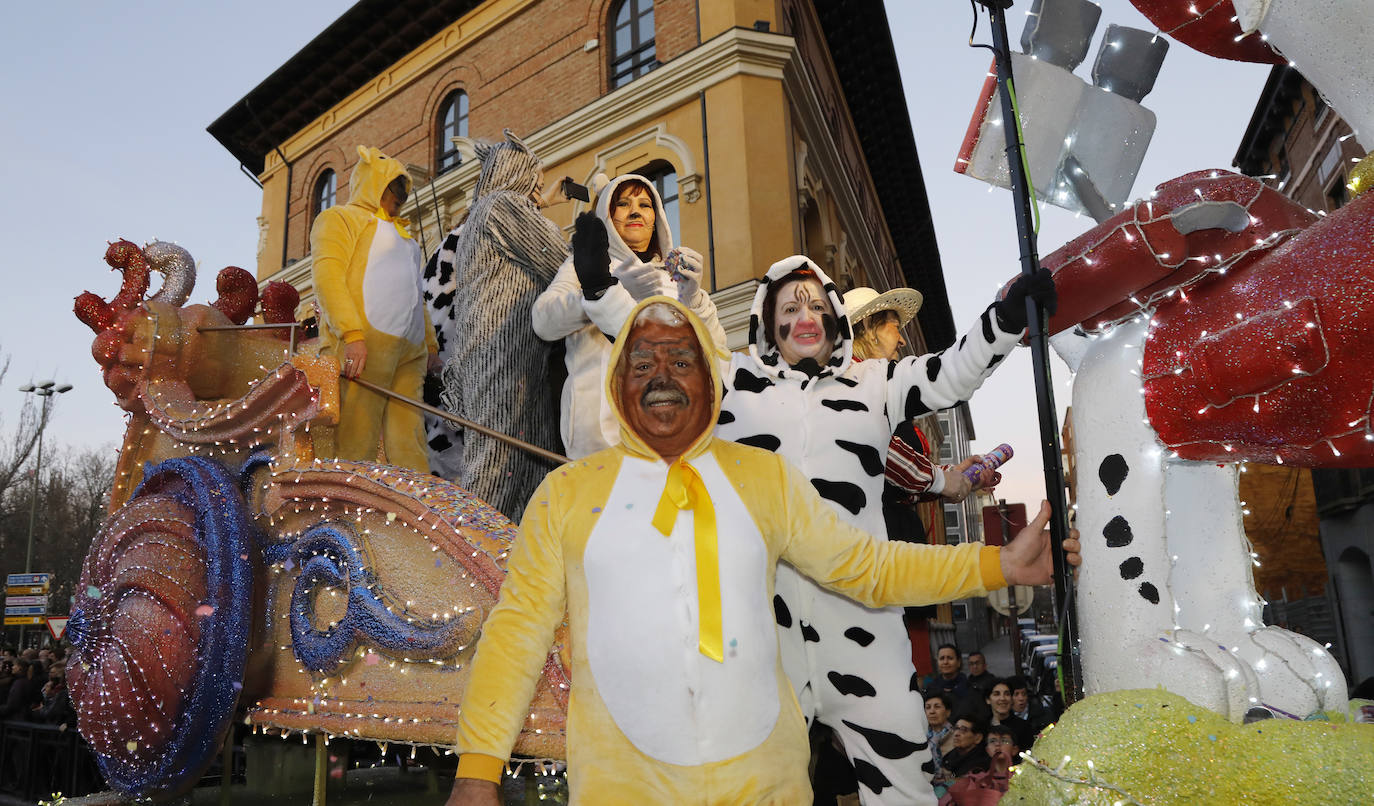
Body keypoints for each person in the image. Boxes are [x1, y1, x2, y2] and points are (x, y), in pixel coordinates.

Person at [446, 296, 1080, 805]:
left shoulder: (765, 477)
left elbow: (869, 568)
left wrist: (997, 563)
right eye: (642, 364)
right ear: (617, 384)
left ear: (708, 380)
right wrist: (479, 770)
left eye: (681, 360)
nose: (662, 377)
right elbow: (518, 631)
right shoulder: (565, 493)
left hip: (764, 785)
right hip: (621, 787)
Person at [532, 174, 726, 459]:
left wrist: (693, 299)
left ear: (657, 217)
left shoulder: (674, 277)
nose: (635, 211)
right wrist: (599, 285)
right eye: (623, 203)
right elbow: (543, 321)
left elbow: (718, 354)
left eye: (645, 205)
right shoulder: (580, 265)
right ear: (608, 216)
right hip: (600, 437)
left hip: (670, 432)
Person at [430, 130, 567, 519]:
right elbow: (558, 259)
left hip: (505, 356)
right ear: (516, 175)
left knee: (516, 461)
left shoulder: (486, 213)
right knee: (499, 464)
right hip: (504, 356)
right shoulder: (502, 206)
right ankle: (476, 558)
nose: (537, 193)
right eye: (533, 183)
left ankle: (496, 555)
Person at [310, 145, 442, 473]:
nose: (399, 196)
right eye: (392, 188)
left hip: (409, 353)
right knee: (357, 432)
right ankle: (351, 501)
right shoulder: (339, 219)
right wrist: (352, 335)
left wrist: (430, 348)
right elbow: (328, 277)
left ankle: (416, 503)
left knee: (409, 434)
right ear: (373, 184)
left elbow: (416, 298)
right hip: (365, 344)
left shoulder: (407, 240)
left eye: (402, 190)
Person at [938, 724, 1019, 806]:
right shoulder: (977, 779)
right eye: (992, 741)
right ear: (987, 750)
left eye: (1004, 741)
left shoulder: (1021, 778)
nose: (997, 744)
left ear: (1014, 750)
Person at [935, 713, 991, 787]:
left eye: (963, 730)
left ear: (978, 738)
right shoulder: (949, 757)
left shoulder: (982, 764)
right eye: (956, 728)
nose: (956, 734)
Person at [985, 679, 1034, 752]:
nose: (1002, 698)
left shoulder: (1024, 727)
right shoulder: (983, 727)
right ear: (988, 700)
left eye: (1007, 694)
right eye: (997, 694)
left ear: (1011, 699)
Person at [923, 692, 957, 776]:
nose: (932, 711)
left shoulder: (957, 735)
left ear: (948, 712)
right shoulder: (920, 736)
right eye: (928, 708)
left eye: (937, 707)